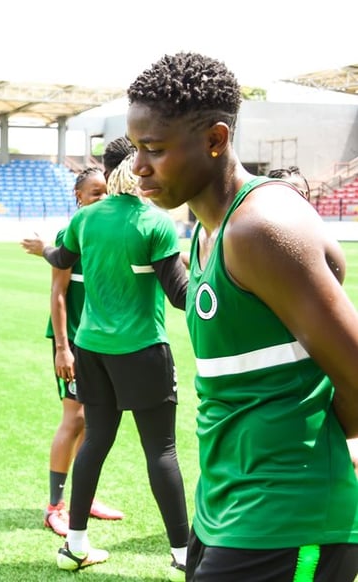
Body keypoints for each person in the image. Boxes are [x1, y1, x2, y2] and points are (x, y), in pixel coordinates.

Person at [126, 51, 358, 581]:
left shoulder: (260, 228)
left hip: (287, 517)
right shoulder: (208, 232)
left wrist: (301, 444)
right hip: (223, 507)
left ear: (215, 139)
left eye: (154, 150)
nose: (138, 167)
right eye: (136, 148)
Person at [42, 149, 191, 579]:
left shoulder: (85, 218)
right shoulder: (154, 222)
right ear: (141, 176)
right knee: (161, 450)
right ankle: (183, 554)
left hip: (91, 350)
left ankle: (75, 546)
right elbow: (181, 296)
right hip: (142, 350)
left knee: (96, 441)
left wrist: (44, 249)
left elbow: (60, 260)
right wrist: (210, 268)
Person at [20, 166, 124, 537]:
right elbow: (58, 294)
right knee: (75, 418)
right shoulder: (73, 231)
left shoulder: (104, 231)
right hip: (73, 341)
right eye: (95, 193)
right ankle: (54, 507)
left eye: (107, 192)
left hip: (97, 342)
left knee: (96, 423)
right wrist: (63, 348)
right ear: (78, 196)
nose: (103, 198)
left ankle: (84, 496)